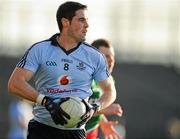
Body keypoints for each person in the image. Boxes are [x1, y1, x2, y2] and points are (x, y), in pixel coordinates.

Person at [7, 1, 117, 139]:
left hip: (76, 133)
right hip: (42, 130)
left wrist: (95, 108)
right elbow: (14, 84)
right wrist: (46, 102)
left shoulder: (94, 56)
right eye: (81, 20)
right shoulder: (40, 50)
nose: (87, 25)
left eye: (87, 21)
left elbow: (110, 91)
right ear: (65, 22)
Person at [85, 39, 123, 139]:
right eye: (106, 56)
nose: (111, 60)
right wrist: (103, 109)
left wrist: (103, 122)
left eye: (112, 56)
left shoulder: (108, 81)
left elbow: (93, 104)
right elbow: (71, 110)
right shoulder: (84, 79)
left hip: (90, 133)